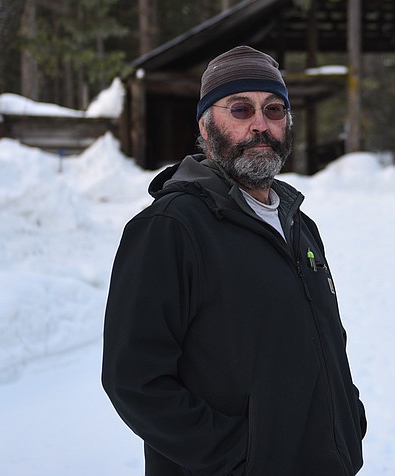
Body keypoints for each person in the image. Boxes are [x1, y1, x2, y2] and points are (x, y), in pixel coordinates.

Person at [102, 45, 366, 476]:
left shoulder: (300, 226)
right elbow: (134, 381)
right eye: (241, 109)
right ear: (207, 128)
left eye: (274, 109)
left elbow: (324, 338)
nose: (261, 125)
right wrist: (240, 457)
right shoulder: (170, 228)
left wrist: (348, 420)